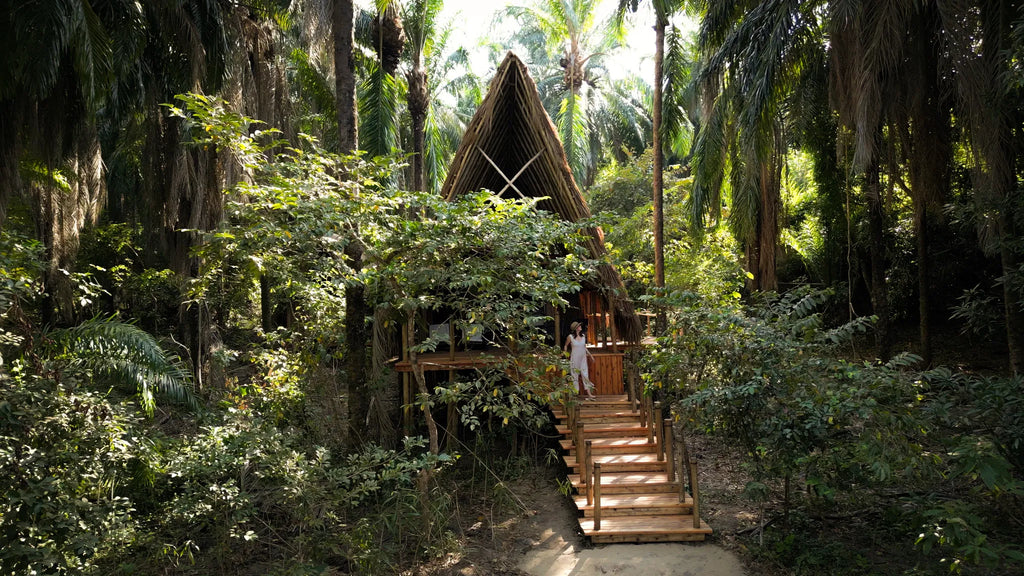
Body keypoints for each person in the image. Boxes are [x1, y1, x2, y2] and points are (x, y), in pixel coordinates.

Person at [564, 321, 596, 400]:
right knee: (574, 376)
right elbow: (565, 345)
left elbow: (584, 347)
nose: (580, 326)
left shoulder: (583, 336)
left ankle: (589, 394)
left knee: (585, 375)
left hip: (583, 358)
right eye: (579, 326)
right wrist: (565, 355)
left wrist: (590, 355)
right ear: (576, 328)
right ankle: (575, 394)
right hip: (574, 358)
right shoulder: (570, 337)